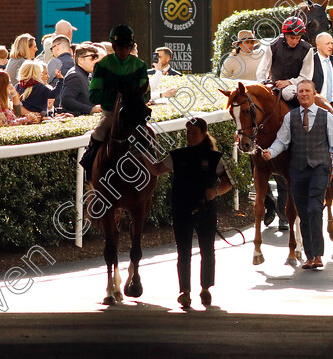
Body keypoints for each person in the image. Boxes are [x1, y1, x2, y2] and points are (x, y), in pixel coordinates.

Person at [143, 118, 233, 309]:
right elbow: (157, 169)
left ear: (203, 133)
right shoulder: (177, 155)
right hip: (181, 208)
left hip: (206, 209)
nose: (190, 136)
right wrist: (142, 154)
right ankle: (185, 292)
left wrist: (215, 192)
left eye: (193, 132)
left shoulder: (215, 158)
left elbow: (228, 182)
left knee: (207, 250)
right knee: (183, 252)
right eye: (188, 133)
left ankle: (206, 288)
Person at [261, 80, 333, 270]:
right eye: (300, 92)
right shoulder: (290, 118)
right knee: (303, 212)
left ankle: (318, 254)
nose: (304, 94)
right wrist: (270, 152)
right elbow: (282, 141)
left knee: (315, 208)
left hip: (319, 169)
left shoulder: (326, 116)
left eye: (307, 91)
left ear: (314, 93)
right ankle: (310, 255)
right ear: (296, 95)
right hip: (297, 170)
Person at [80, 24, 150, 180]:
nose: (124, 51)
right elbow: (93, 96)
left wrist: (134, 98)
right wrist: (111, 93)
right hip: (111, 113)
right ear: (114, 46)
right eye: (121, 47)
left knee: (147, 136)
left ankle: (152, 173)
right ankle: (90, 171)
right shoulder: (102, 66)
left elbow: (147, 95)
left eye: (128, 47)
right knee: (99, 133)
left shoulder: (140, 66)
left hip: (133, 114)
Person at [256, 15, 315, 105]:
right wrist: (263, 84)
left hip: (296, 86)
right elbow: (262, 70)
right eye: (292, 38)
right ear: (285, 35)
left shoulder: (307, 49)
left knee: (286, 93)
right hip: (274, 85)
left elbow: (306, 77)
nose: (295, 41)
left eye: (298, 38)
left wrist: (288, 82)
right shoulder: (272, 46)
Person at [60, 44, 103, 116]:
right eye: (92, 58)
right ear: (80, 60)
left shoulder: (83, 74)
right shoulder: (75, 75)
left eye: (96, 58)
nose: (95, 61)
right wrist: (91, 109)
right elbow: (66, 101)